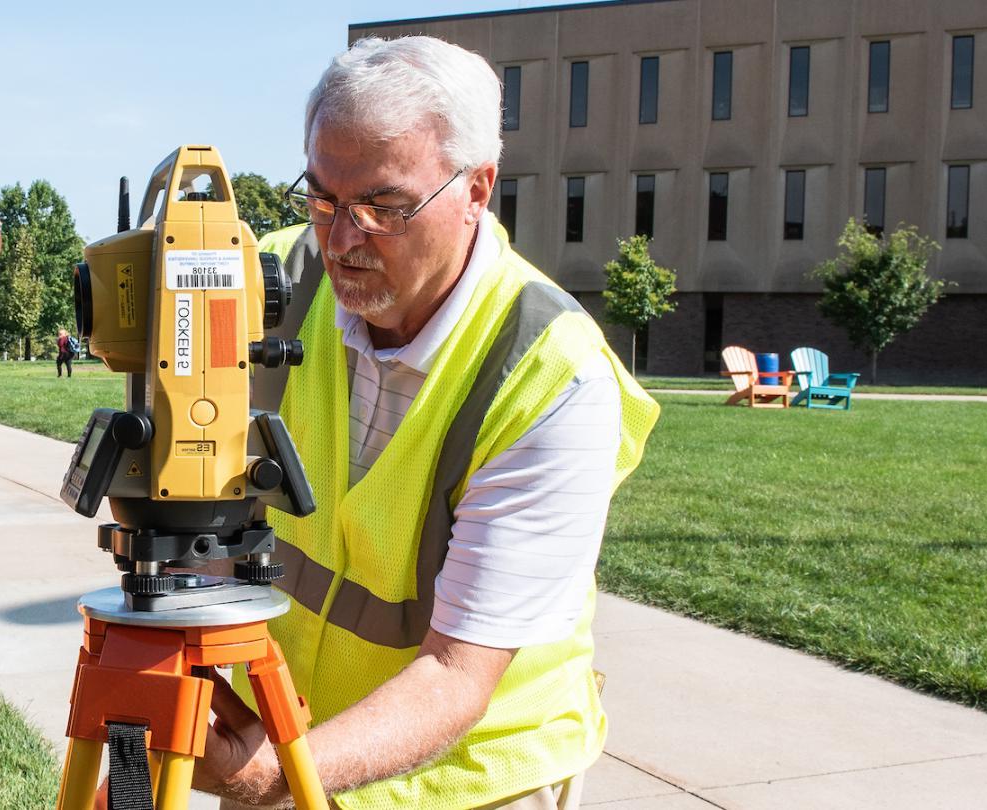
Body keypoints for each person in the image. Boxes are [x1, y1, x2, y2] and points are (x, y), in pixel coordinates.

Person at [197, 37, 660, 809]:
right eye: (321, 198)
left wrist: (275, 773)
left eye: (383, 206)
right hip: (295, 740)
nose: (341, 239)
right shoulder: (272, 280)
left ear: (477, 187)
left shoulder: (551, 373)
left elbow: (457, 673)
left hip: (470, 775)